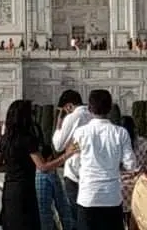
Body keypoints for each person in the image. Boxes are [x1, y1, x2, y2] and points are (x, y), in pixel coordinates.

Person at [65, 88, 141, 230]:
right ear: (110, 108)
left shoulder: (80, 133)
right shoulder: (121, 133)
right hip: (111, 196)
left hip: (88, 196)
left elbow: (74, 165)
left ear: (89, 108)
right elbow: (131, 164)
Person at [0, 100, 65, 230]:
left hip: (9, 189)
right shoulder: (27, 139)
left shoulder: (5, 138)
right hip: (24, 190)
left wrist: (14, 167)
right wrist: (66, 155)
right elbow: (43, 167)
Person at [52, 90, 91, 221]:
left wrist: (59, 124)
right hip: (92, 171)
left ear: (68, 106)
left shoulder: (73, 116)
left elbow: (58, 145)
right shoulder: (93, 115)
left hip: (75, 172)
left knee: (78, 215)